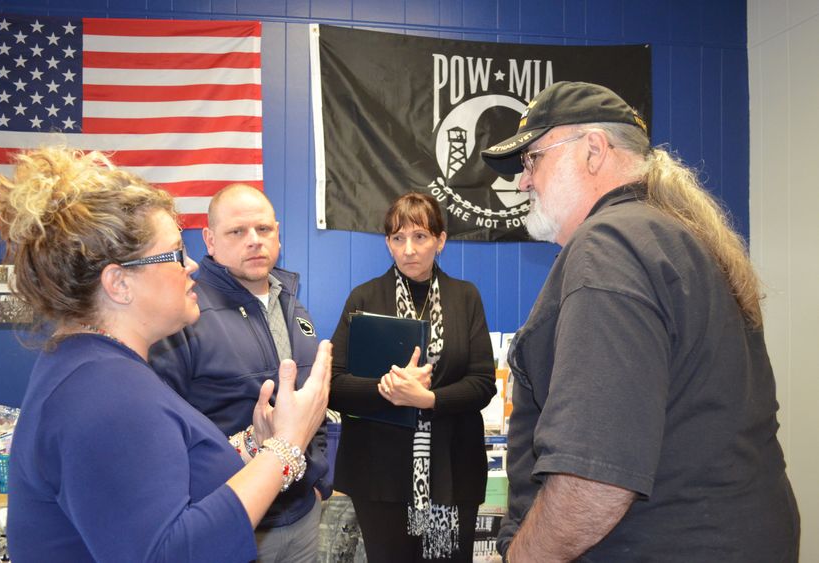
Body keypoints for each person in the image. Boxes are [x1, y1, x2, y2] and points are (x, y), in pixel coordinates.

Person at [480, 81, 800, 561]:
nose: (524, 181)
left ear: (593, 149)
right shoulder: (674, 237)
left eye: (533, 159)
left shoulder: (609, 246)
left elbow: (595, 480)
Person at [0, 147, 332, 562]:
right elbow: (171, 552)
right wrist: (286, 447)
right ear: (119, 284)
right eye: (173, 254)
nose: (192, 268)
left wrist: (257, 446)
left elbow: (163, 480)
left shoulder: (98, 367)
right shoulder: (104, 393)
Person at [149, 183, 330, 563]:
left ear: (277, 233)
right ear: (210, 240)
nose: (254, 241)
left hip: (301, 517)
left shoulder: (292, 305)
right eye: (237, 232)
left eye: (263, 230)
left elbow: (313, 403)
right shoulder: (186, 312)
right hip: (233, 523)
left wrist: (318, 481)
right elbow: (162, 434)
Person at [328, 192, 497, 562]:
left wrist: (429, 400)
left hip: (452, 472)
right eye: (397, 238)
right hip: (379, 475)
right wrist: (387, 388)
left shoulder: (465, 297)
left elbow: (483, 382)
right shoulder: (364, 298)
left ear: (441, 240)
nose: (409, 249)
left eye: (420, 237)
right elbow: (334, 386)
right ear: (388, 243)